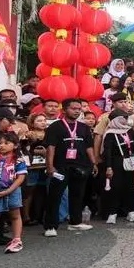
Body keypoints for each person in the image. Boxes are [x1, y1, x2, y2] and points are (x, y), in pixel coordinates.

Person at [43, 98, 96, 236]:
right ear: (64, 110)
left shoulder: (84, 127)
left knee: (77, 195)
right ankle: (50, 226)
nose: (77, 111)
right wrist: (50, 166)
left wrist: (93, 163)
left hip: (80, 165)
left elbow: (89, 147)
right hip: (60, 166)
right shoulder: (55, 127)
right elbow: (50, 147)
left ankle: (75, 222)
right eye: (73, 108)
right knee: (55, 196)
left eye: (79, 109)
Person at [100, 112, 134, 224]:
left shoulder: (129, 131)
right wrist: (109, 167)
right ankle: (113, 213)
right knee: (116, 187)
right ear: (116, 120)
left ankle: (131, 211)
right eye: (123, 118)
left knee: (131, 186)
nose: (126, 120)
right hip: (116, 162)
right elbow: (107, 152)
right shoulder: (110, 134)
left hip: (130, 161)